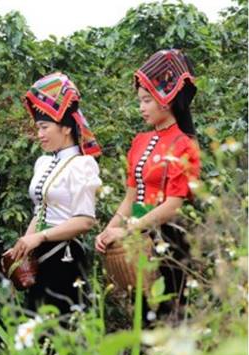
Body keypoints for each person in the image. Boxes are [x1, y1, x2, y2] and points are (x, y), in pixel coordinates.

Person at [95, 49, 200, 319]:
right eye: (140, 100)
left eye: (146, 101)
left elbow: (174, 205)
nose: (141, 107)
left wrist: (127, 231)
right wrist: (110, 231)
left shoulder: (184, 145)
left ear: (165, 101)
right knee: (141, 318)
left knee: (168, 316)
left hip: (169, 241)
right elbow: (131, 198)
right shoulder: (140, 141)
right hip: (138, 237)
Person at [6, 72, 102, 316]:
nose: (39, 134)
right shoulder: (42, 163)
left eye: (45, 127)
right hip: (41, 257)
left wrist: (40, 238)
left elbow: (85, 221)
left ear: (66, 128)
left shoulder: (82, 165)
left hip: (65, 257)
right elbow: (40, 211)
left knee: (62, 330)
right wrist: (22, 249)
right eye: (38, 128)